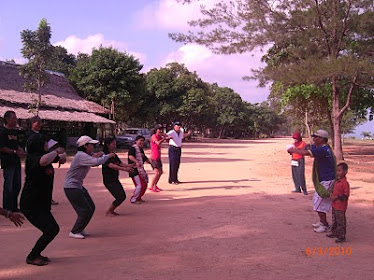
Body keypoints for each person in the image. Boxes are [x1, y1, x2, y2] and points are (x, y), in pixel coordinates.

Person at [20, 133, 66, 266]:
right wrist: (56, 151)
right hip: (31, 204)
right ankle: (32, 256)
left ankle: (36, 254)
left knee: (52, 229)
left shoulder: (46, 156)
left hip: (41, 203)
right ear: (38, 145)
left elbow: (59, 158)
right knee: (51, 229)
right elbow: (44, 161)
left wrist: (60, 156)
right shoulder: (32, 159)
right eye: (45, 143)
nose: (47, 145)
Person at [64, 135, 115, 239]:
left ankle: (80, 228)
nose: (93, 146)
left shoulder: (85, 154)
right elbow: (96, 162)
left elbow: (94, 159)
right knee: (85, 209)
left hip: (77, 186)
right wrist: (108, 156)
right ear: (85, 146)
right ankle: (74, 231)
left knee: (91, 207)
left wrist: (100, 154)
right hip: (71, 187)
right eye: (91, 145)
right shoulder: (81, 155)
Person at [288, 129, 336, 233]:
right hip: (325, 179)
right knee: (318, 202)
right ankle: (322, 221)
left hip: (327, 180)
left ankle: (324, 224)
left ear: (322, 139)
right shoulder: (323, 148)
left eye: (316, 137)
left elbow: (305, 152)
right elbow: (310, 148)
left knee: (319, 203)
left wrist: (294, 150)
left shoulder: (322, 150)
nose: (314, 139)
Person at [26, 115, 59, 205]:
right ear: (32, 123)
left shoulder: (42, 134)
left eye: (40, 123)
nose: (40, 125)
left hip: (45, 158)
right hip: (36, 160)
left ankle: (47, 198)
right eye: (38, 123)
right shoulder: (29, 135)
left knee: (48, 180)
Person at [102, 137, 134, 216]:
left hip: (115, 179)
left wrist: (130, 165)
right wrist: (125, 169)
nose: (115, 146)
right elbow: (112, 166)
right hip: (109, 180)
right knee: (120, 197)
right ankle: (109, 211)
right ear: (108, 145)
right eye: (113, 144)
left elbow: (119, 163)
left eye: (115, 144)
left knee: (121, 196)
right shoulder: (105, 155)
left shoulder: (113, 155)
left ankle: (111, 211)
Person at [0, 111, 25, 212]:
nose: (15, 120)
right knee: (8, 186)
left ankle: (14, 206)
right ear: (7, 119)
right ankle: (7, 207)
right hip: (8, 162)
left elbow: (16, 144)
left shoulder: (15, 132)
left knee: (17, 185)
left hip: (16, 162)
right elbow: (1, 148)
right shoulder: (2, 132)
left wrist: (20, 150)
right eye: (13, 118)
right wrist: (15, 152)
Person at [326, 162, 350, 243]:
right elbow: (334, 191)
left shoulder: (345, 183)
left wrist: (337, 197)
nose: (338, 172)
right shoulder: (336, 181)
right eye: (337, 171)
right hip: (335, 205)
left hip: (341, 206)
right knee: (334, 219)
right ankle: (334, 232)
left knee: (341, 221)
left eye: (340, 171)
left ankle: (341, 236)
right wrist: (331, 195)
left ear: (345, 172)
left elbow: (346, 195)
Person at [128, 135, 153, 204]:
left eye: (143, 141)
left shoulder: (140, 149)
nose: (142, 142)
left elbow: (144, 158)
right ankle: (133, 199)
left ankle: (139, 197)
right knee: (140, 185)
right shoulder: (133, 148)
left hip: (140, 169)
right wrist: (136, 161)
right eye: (140, 140)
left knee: (144, 184)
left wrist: (152, 163)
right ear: (136, 141)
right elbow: (130, 156)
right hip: (134, 170)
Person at [149, 124, 169, 192]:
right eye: (159, 129)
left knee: (160, 172)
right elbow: (157, 143)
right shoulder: (154, 136)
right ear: (156, 130)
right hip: (154, 157)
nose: (160, 131)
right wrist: (163, 139)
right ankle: (151, 186)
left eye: (161, 129)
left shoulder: (159, 136)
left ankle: (155, 185)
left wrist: (164, 134)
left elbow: (167, 138)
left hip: (158, 157)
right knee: (157, 173)